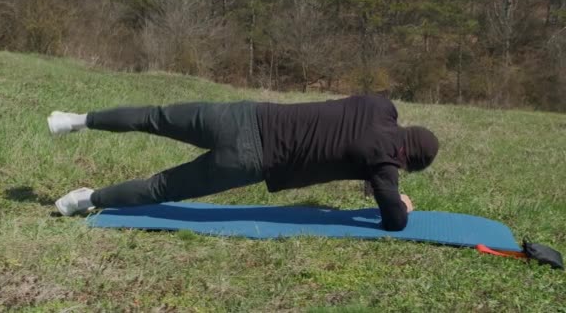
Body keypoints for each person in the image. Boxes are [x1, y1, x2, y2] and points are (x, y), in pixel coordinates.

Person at [48, 95, 439, 231]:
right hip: (250, 160)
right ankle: (86, 199)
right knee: (161, 188)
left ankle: (76, 120)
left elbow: (360, 130)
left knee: (155, 116)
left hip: (243, 115)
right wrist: (400, 200)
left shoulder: (381, 107)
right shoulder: (383, 167)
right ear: (408, 162)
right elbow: (394, 222)